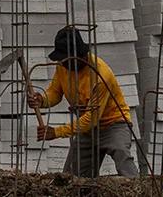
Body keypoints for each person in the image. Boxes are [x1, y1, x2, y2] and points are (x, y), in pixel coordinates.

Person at [26, 26, 139, 178]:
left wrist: (56, 132)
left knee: (122, 155)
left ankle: (135, 187)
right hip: (86, 129)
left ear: (79, 56)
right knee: (72, 177)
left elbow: (91, 119)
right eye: (61, 59)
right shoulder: (63, 66)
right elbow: (55, 92)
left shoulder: (100, 75)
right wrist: (42, 100)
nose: (62, 63)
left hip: (113, 124)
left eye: (65, 59)